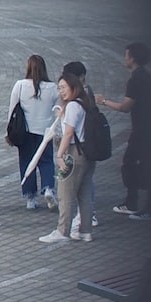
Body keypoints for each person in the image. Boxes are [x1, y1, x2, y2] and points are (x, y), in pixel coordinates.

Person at [99, 42, 151, 220]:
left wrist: (104, 101)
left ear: (132, 58)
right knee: (141, 164)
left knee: (132, 164)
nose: (125, 58)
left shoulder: (135, 80)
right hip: (149, 128)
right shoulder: (146, 76)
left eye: (126, 55)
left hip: (142, 130)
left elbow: (126, 107)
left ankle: (139, 204)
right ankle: (139, 202)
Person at [39, 71, 96, 244]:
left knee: (65, 193)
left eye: (63, 87)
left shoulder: (72, 106)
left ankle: (62, 230)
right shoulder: (85, 103)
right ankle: (85, 231)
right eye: (59, 88)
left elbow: (68, 133)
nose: (61, 92)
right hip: (87, 153)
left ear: (73, 86)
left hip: (74, 152)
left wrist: (59, 155)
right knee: (84, 193)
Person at [7, 55, 59, 210]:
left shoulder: (20, 85)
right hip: (45, 131)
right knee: (46, 161)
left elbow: (12, 109)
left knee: (27, 162)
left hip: (26, 131)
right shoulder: (53, 88)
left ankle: (30, 197)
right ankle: (48, 187)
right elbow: (58, 111)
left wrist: (8, 131)